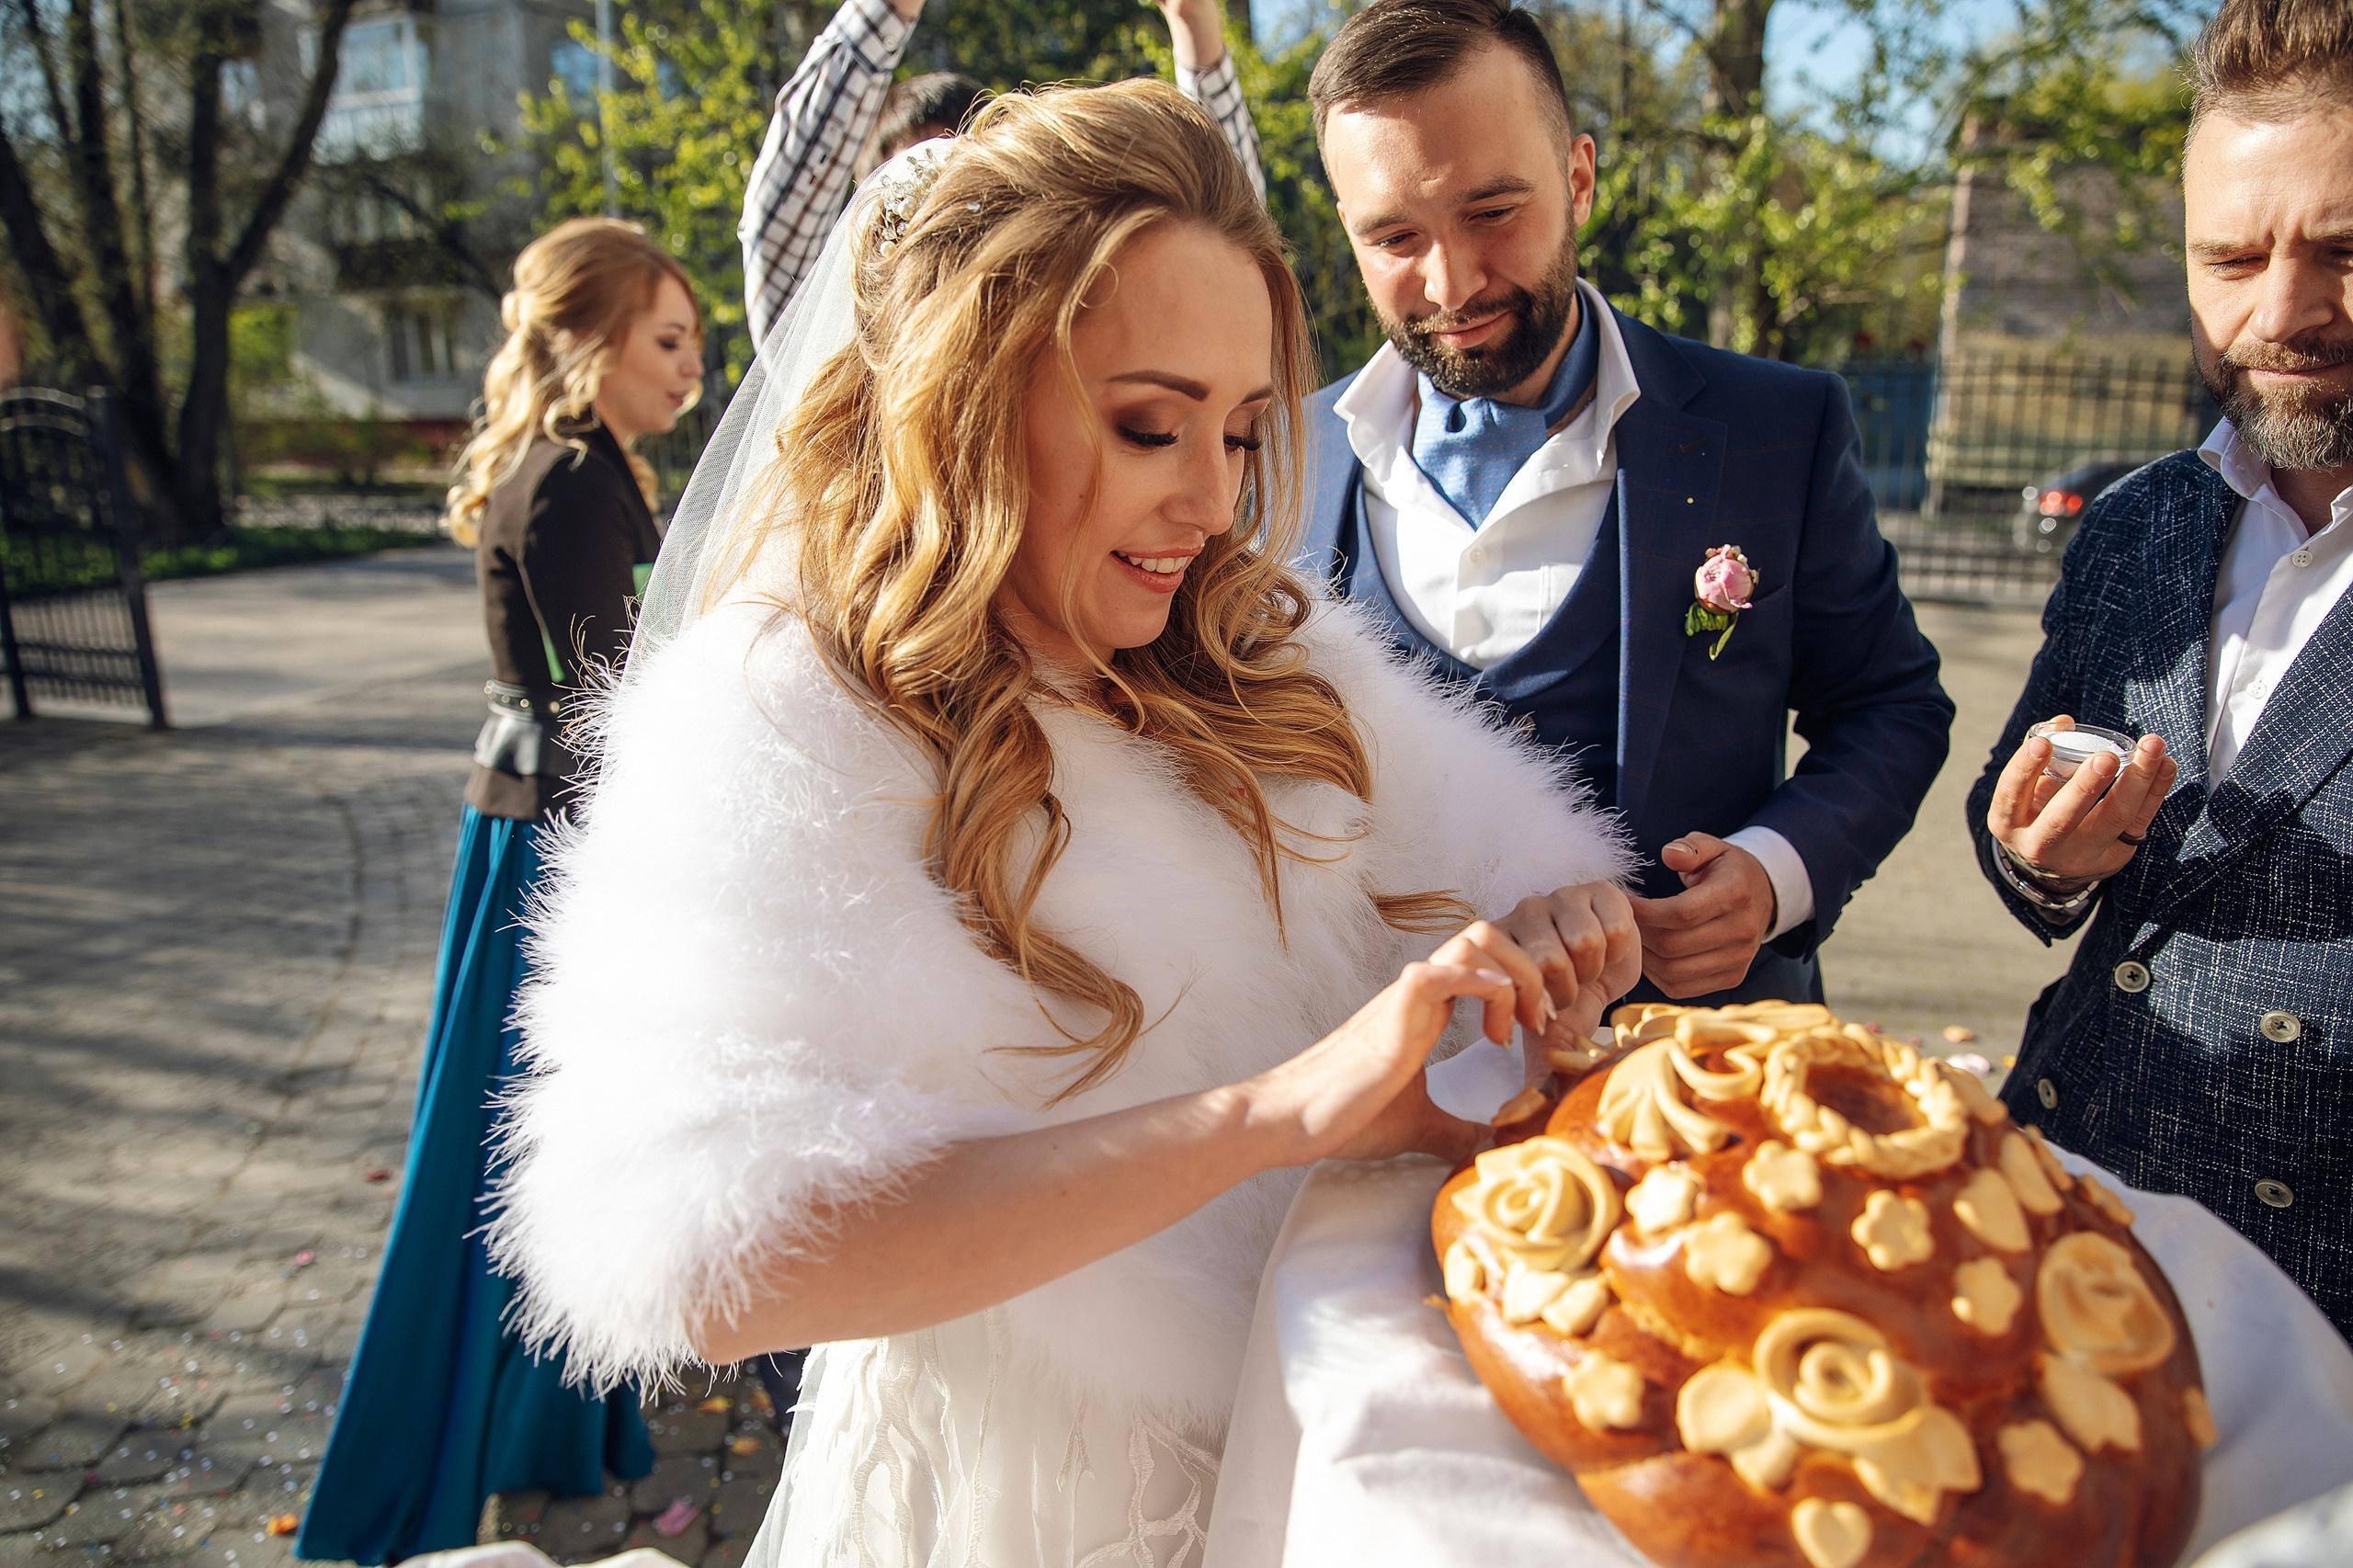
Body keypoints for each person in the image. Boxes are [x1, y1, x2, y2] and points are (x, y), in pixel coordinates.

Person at [489, 82, 1639, 1563]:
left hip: (1327, 1452)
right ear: (965, 395)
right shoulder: (784, 708)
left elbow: (1489, 866)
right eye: (1151, 425)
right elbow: (705, 1255)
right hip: (1020, 1498)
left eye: (1236, 432)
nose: (1216, 505)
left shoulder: (1263, 652)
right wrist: (1277, 1117)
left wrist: (1546, 920)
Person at [1296, 0, 1952, 1016]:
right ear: (1348, 230)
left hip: (1692, 1082)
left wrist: (1771, 875)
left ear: (1579, 179)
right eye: (1394, 235)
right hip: (1374, 1086)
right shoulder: (1279, 457)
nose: (1451, 281)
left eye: (1491, 212)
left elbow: (1888, 707)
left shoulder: (1778, 426)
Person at [297, 218, 706, 1562]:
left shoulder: (600, 470)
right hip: (552, 851)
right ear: (588, 343)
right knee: (500, 1160)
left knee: (538, 1149)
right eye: (666, 338)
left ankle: (546, 1430)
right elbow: (596, 710)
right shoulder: (576, 481)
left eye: (692, 337)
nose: (692, 361)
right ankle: (413, 1477)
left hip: (540, 832)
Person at [1969, 0, 2353, 1339]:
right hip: (2065, 1209)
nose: (2284, 311)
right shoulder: (2139, 519)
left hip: (2314, 1323)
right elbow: (2011, 806)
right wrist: (2039, 851)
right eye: (2234, 256)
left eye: (2347, 250)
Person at [740, 0, 1263, 343]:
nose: (939, 210)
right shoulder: (829, 340)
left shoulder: (1053, 332)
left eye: (964, 182)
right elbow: (782, 213)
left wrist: (1194, 22)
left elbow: (1222, 245)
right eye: (910, 183)